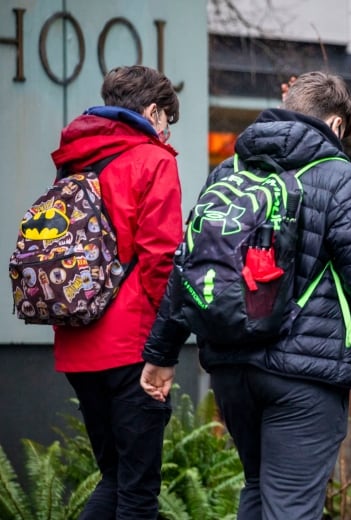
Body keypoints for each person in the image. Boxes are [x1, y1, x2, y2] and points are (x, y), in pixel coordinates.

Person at [139, 70, 351, 519]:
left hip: (231, 368)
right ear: (335, 125)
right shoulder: (340, 177)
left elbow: (188, 264)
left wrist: (161, 354)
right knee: (291, 506)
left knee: (259, 492)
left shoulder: (228, 170)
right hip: (304, 376)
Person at [50, 65, 182, 518]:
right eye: (167, 119)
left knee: (116, 478)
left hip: (75, 341)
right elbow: (160, 257)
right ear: (151, 112)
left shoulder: (74, 158)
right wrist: (163, 344)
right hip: (131, 348)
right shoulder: (154, 160)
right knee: (138, 490)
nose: (166, 131)